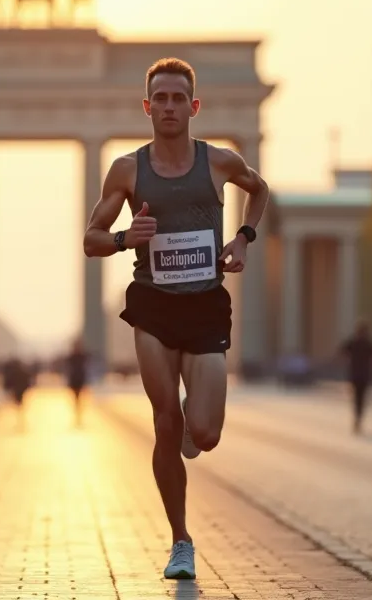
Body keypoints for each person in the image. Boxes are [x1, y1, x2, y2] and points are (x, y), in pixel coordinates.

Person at [82, 58, 269, 580]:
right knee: (165, 422)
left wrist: (243, 238)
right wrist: (125, 238)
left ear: (194, 106)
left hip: (206, 304)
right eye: (158, 99)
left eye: (176, 98)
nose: (168, 107)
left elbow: (260, 191)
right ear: (147, 107)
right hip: (154, 305)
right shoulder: (127, 169)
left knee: (203, 433)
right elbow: (91, 238)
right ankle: (180, 541)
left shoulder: (220, 162)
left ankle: (193, 421)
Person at [340, 322, 372, 433]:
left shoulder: (353, 342)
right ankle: (359, 418)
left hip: (355, 375)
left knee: (357, 398)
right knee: (361, 399)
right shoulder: (369, 343)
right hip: (365, 375)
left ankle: (357, 418)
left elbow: (342, 352)